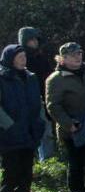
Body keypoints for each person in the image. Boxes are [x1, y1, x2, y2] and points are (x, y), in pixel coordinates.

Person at [45, 43, 85, 192]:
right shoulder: (55, 79)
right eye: (73, 55)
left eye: (79, 53)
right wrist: (69, 124)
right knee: (76, 162)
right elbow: (53, 106)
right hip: (73, 129)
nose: (78, 57)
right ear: (63, 59)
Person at [0, 45, 45, 192]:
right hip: (9, 133)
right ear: (10, 59)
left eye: (24, 56)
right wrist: (9, 125)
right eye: (19, 57)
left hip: (30, 129)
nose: (23, 60)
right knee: (11, 169)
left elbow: (37, 102)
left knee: (27, 168)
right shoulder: (2, 77)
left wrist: (40, 122)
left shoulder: (31, 77)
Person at [18, 27, 54, 160]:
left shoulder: (40, 57)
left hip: (44, 99)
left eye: (36, 39)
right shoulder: (20, 59)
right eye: (31, 39)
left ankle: (48, 164)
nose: (35, 42)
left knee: (46, 133)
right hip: (26, 103)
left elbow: (49, 77)